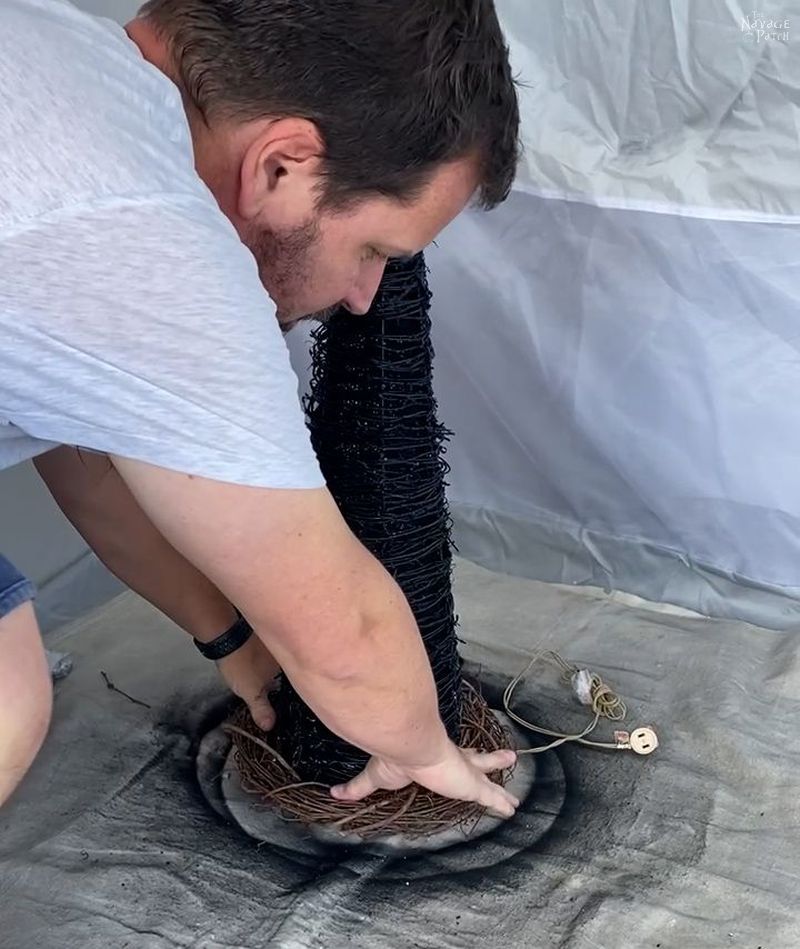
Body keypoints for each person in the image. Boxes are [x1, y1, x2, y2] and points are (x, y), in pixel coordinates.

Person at [0, 0, 521, 815]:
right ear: (282, 166)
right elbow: (344, 633)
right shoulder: (141, 230)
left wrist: (231, 635)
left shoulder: (56, 53)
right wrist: (421, 747)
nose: (361, 298)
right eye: (373, 251)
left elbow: (83, 451)